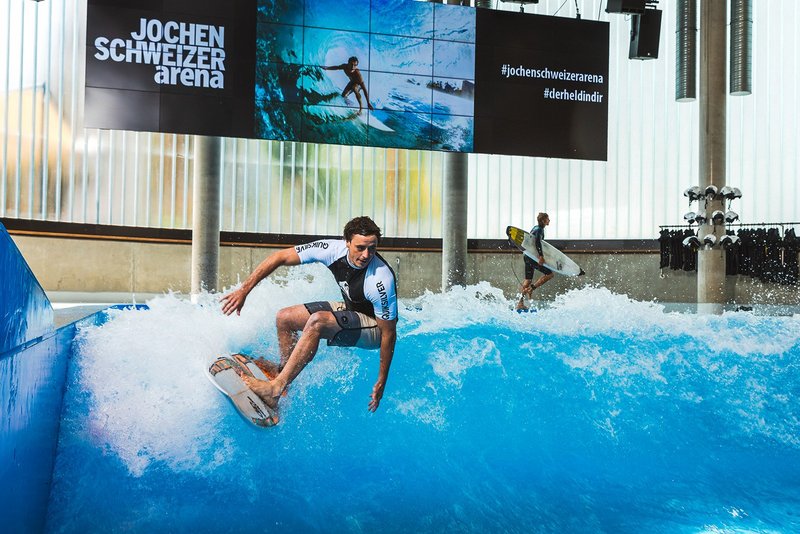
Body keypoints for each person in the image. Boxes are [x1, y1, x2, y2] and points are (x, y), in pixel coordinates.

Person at [220, 216, 397, 413]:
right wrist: (243, 290)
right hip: (351, 309)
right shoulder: (331, 250)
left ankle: (275, 389)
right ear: (347, 242)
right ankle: (282, 376)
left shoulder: (381, 279)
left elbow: (389, 333)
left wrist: (382, 380)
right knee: (284, 318)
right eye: (360, 248)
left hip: (375, 329)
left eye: (372, 248)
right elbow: (280, 257)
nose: (366, 255)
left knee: (317, 321)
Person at [516, 212, 554, 311]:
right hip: (532, 257)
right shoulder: (540, 229)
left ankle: (520, 303)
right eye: (548, 219)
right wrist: (541, 256)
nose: (549, 220)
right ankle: (531, 288)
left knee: (528, 280)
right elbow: (537, 242)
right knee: (549, 274)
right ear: (543, 220)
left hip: (527, 255)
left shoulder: (535, 228)